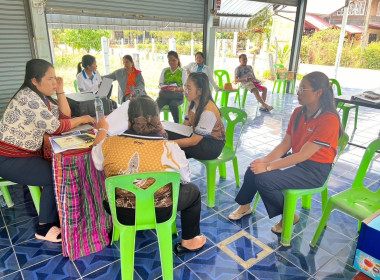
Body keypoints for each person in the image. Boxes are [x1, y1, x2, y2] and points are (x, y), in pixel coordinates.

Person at [228, 71, 342, 234]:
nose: (298, 93)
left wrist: (268, 167)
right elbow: (285, 144)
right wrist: (265, 161)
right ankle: (245, 206)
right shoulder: (298, 113)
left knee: (264, 179)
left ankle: (288, 216)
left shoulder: (329, 119)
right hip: (297, 162)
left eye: (303, 89)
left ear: (318, 93)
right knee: (254, 167)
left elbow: (303, 155)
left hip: (315, 170)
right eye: (299, 88)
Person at [91, 96, 206, 254]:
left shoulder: (108, 144)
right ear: (158, 121)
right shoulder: (169, 148)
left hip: (119, 209)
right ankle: (189, 241)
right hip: (160, 210)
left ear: (129, 122)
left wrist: (103, 129)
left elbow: (97, 162)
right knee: (193, 191)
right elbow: (185, 178)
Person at [0, 59, 96, 243]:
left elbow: (64, 116)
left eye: (56, 78)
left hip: (23, 155)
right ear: (35, 81)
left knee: (57, 170)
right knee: (55, 175)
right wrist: (84, 118)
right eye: (50, 79)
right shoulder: (28, 98)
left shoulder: (40, 97)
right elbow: (57, 127)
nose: (54, 82)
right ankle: (44, 227)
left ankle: (58, 210)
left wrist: (60, 90)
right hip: (8, 159)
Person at [168, 72, 225, 160]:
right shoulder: (192, 102)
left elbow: (194, 141)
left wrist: (169, 143)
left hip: (211, 146)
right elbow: (186, 125)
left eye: (189, 89)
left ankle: (174, 167)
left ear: (199, 91)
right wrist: (169, 128)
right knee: (166, 134)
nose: (185, 91)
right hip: (199, 138)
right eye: (185, 87)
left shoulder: (208, 111)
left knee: (170, 147)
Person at [156, 51, 187, 123]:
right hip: (165, 96)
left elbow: (185, 88)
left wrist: (176, 89)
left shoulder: (182, 72)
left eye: (174, 60)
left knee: (173, 104)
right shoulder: (165, 71)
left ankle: (176, 124)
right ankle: (156, 124)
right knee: (155, 105)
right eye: (169, 60)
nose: (171, 62)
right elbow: (160, 84)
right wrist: (163, 86)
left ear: (177, 60)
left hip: (177, 96)